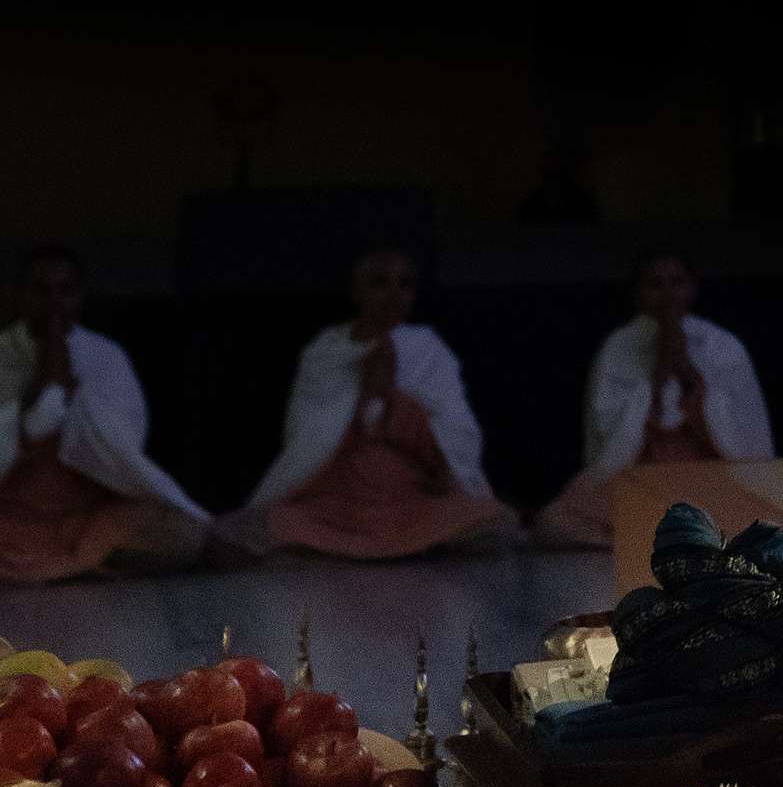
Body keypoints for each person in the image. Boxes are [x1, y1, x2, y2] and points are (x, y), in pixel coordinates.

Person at [218, 247, 517, 557]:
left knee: (494, 519)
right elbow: (305, 443)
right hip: (336, 503)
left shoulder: (428, 351)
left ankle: (376, 545)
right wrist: (361, 402)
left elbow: (455, 442)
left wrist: (394, 402)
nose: (394, 294)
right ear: (357, 291)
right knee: (254, 526)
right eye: (379, 282)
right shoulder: (326, 353)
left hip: (409, 503)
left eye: (405, 284)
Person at [534, 249, 777, 548]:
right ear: (638, 293)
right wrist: (657, 381)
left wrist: (690, 378)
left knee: (769, 515)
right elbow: (612, 440)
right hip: (641, 478)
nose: (668, 295)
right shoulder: (619, 347)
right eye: (655, 284)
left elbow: (745, 441)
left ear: (692, 287)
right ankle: (663, 537)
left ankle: (670, 537)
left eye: (676, 282)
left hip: (708, 477)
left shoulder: (721, 345)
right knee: (556, 520)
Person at [0, 245, 206, 580]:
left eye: (65, 292)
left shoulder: (104, 357)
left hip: (87, 515)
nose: (54, 303)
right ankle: (75, 565)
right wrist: (35, 404)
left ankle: (68, 563)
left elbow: (123, 446)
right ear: (19, 296)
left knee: (184, 533)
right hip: (15, 515)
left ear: (79, 297)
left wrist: (74, 405)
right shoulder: (3, 356)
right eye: (42, 291)